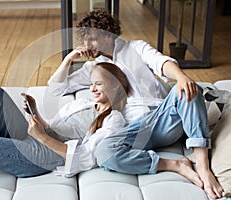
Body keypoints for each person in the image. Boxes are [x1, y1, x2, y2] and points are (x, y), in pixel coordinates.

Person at [47, 9, 223, 199]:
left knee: (189, 89)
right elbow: (56, 88)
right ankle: (175, 165)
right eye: (85, 40)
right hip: (133, 130)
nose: (87, 45)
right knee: (103, 152)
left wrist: (181, 78)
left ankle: (203, 167)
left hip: (163, 118)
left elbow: (161, 62)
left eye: (93, 39)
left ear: (108, 34)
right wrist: (68, 60)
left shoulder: (136, 48)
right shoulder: (95, 67)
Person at [0, 62, 131, 180]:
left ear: (115, 87)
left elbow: (87, 157)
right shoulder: (83, 104)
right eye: (91, 84)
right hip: (35, 139)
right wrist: (34, 111)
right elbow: (52, 128)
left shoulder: (114, 120)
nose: (93, 89)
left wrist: (42, 138)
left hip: (45, 156)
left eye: (99, 84)